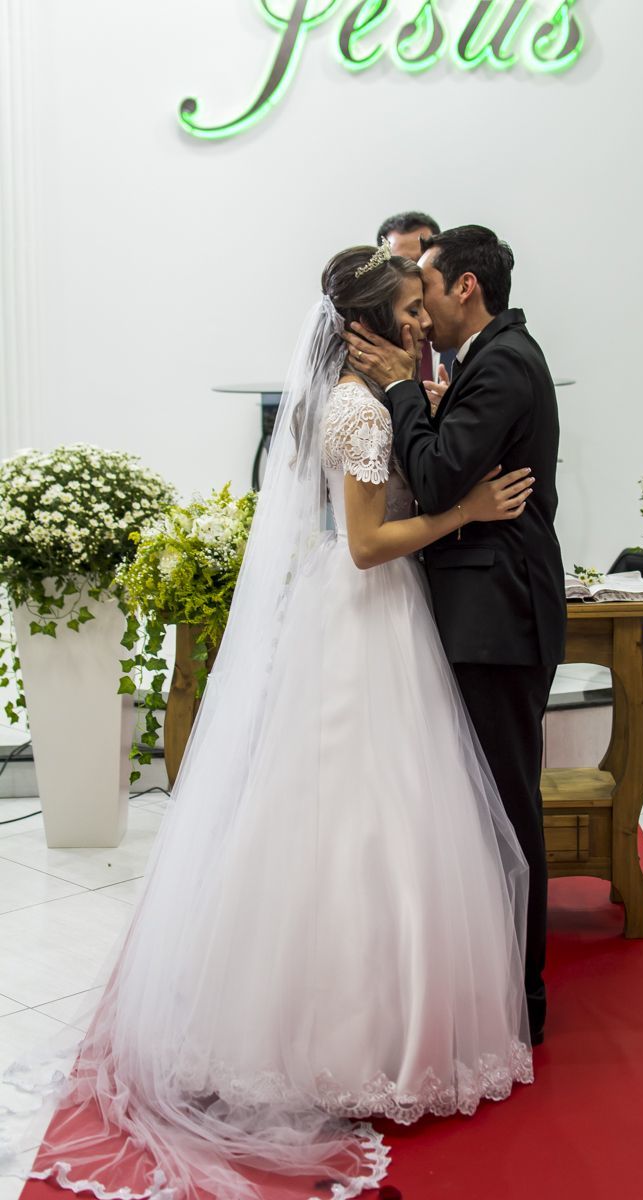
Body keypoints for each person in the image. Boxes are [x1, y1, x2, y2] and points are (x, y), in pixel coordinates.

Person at [1, 245, 535, 1200]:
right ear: (368, 324)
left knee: (364, 816)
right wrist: (466, 512)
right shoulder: (358, 408)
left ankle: (356, 1021)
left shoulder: (343, 398)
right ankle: (352, 1035)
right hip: (368, 614)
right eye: (409, 308)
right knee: (362, 816)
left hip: (364, 617)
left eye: (424, 306)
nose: (422, 322)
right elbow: (366, 543)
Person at [344, 225, 566, 1045]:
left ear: (465, 287)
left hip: (497, 617)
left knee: (506, 806)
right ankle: (486, 983)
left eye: (427, 291)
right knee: (478, 806)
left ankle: (522, 997)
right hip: (482, 611)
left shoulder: (502, 363)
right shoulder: (491, 358)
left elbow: (438, 477)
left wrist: (402, 390)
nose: (420, 313)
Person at [375, 211, 456, 398]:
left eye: (421, 262)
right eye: (401, 264)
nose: (413, 274)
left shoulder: (461, 331)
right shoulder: (371, 347)